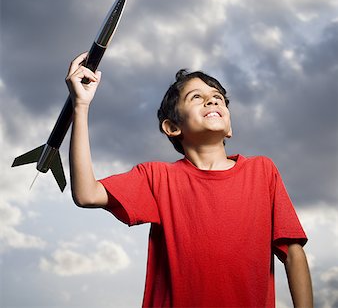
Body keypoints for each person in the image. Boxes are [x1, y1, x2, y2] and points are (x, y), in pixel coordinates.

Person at [66, 52, 313, 308]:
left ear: (229, 128)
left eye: (218, 98)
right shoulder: (157, 177)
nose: (211, 101)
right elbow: (87, 194)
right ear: (173, 127)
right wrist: (80, 106)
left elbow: (294, 254)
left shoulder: (262, 171)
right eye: (197, 97)